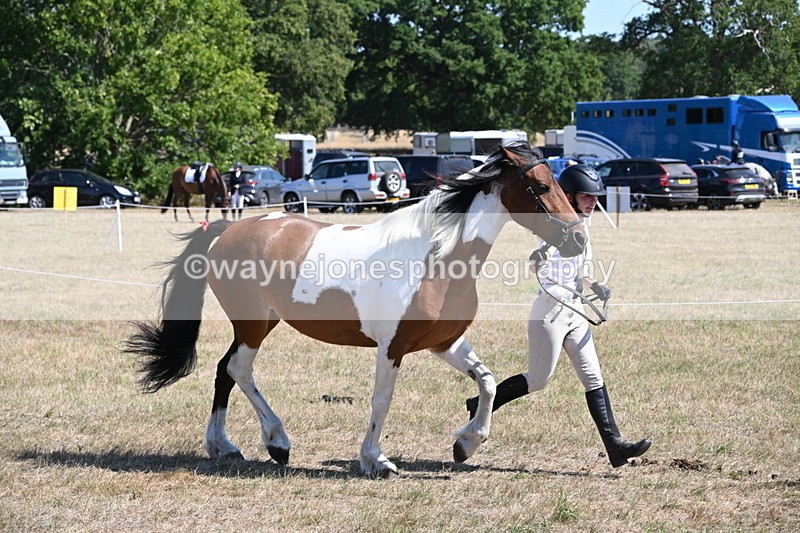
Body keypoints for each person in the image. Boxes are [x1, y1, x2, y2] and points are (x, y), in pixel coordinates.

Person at [465, 164, 651, 468]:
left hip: (574, 310)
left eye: (595, 197)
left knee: (593, 378)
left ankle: (616, 447)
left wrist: (595, 285)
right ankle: (481, 404)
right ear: (569, 195)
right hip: (549, 312)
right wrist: (538, 258)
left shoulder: (584, 225)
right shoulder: (557, 223)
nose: (593, 201)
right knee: (538, 380)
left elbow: (580, 269)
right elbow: (544, 253)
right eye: (586, 196)